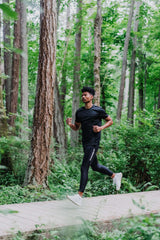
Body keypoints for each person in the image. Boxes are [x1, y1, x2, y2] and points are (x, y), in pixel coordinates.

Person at [66, 86, 122, 206]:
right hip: (85, 143)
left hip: (93, 142)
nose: (83, 97)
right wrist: (70, 124)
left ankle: (79, 196)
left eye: (85, 95)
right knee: (95, 166)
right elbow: (76, 128)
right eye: (82, 95)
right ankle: (114, 175)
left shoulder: (98, 110)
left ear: (91, 96)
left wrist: (101, 128)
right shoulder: (79, 112)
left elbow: (110, 121)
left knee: (84, 166)